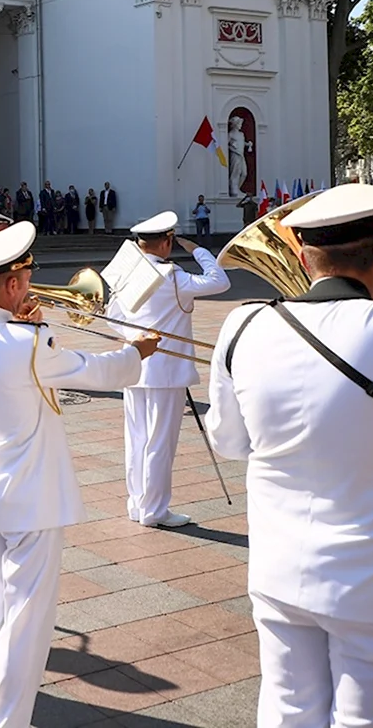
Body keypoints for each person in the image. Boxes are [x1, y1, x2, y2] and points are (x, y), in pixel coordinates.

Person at [205, 183, 373, 727]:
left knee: (289, 714)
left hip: (280, 572)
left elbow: (230, 443)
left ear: (303, 258)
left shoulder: (243, 326)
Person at [0, 223, 154, 728]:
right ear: (12, 284)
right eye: (28, 278)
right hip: (31, 500)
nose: (33, 286)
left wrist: (31, 326)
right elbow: (97, 372)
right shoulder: (30, 344)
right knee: (26, 625)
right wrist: (136, 352)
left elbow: (18, 356)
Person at [107, 211, 229, 527]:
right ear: (167, 242)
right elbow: (220, 281)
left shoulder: (128, 274)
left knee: (136, 438)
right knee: (160, 442)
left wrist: (136, 337)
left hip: (133, 364)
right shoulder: (173, 276)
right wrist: (197, 250)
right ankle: (154, 510)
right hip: (166, 371)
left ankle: (137, 504)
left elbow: (111, 316)